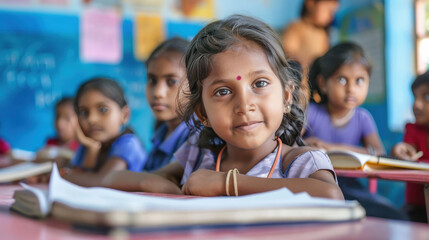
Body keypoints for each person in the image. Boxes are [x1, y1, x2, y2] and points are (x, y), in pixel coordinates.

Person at [103, 15, 343, 200]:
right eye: (223, 92)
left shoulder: (299, 162)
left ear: (287, 96)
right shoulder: (198, 156)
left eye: (259, 84)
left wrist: (226, 184)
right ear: (202, 113)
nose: (244, 105)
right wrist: (159, 185)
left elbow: (331, 195)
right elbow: (112, 179)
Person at [304, 42, 408, 220]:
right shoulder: (311, 113)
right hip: (314, 183)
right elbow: (287, 145)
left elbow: (379, 154)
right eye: (341, 80)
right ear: (323, 83)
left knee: (393, 216)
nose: (351, 88)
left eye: (359, 80)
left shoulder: (363, 118)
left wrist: (331, 147)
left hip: (351, 186)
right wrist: (305, 145)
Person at [64, 77, 147, 187]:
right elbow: (80, 174)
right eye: (84, 112)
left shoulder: (128, 144)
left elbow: (103, 181)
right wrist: (92, 150)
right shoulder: (88, 145)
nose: (91, 119)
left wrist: (59, 176)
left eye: (103, 109)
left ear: (124, 115)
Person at [143, 37, 192, 172]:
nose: (158, 93)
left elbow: (160, 181)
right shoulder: (162, 132)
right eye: (152, 80)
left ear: (195, 86)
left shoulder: (199, 135)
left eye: (172, 81)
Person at [391, 70, 429, 223]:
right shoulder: (412, 129)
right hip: (416, 209)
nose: (417, 105)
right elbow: (407, 148)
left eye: (426, 97)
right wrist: (399, 150)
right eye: (415, 97)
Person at [282, 0, 339, 100]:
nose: (331, 16)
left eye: (333, 12)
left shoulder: (323, 34)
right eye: (328, 10)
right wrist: (310, 61)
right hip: (299, 86)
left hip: (317, 90)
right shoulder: (296, 27)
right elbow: (287, 54)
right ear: (310, 3)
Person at [34, 97, 79, 168]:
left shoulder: (80, 147)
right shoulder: (51, 143)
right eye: (57, 117)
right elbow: (37, 157)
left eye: (67, 119)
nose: (60, 123)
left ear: (79, 121)